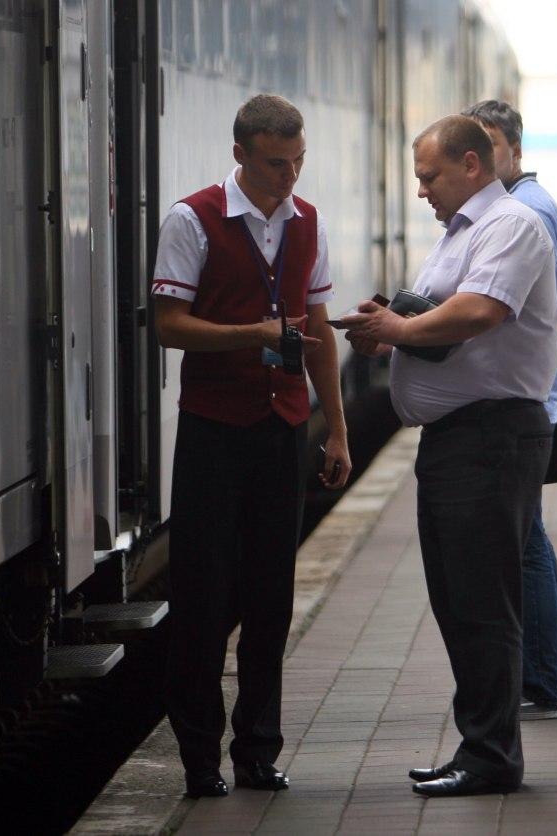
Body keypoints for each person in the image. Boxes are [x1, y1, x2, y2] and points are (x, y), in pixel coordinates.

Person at [342, 115, 557, 797]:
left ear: (472, 164)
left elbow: (479, 312)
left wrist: (400, 326)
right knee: (458, 601)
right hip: (459, 441)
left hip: (492, 439)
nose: (421, 191)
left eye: (429, 176)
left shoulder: (511, 226)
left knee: (482, 603)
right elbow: (439, 319)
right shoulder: (460, 235)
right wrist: (391, 332)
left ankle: (492, 757)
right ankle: (478, 745)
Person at [152, 94, 351, 799]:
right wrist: (253, 335)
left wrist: (336, 427)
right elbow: (169, 325)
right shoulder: (192, 218)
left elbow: (319, 332)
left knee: (272, 600)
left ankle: (258, 752)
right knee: (202, 599)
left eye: (298, 163)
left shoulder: (308, 223)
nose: (288, 179)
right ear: (241, 154)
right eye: (275, 165)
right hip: (212, 429)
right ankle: (200, 759)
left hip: (281, 430)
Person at [462, 99, 557, 722]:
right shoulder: (527, 207)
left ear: (516, 150)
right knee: (527, 537)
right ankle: (542, 680)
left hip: (526, 399)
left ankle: (543, 682)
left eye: (490, 146)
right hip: (533, 392)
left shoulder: (526, 211)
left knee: (525, 540)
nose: (478, 159)